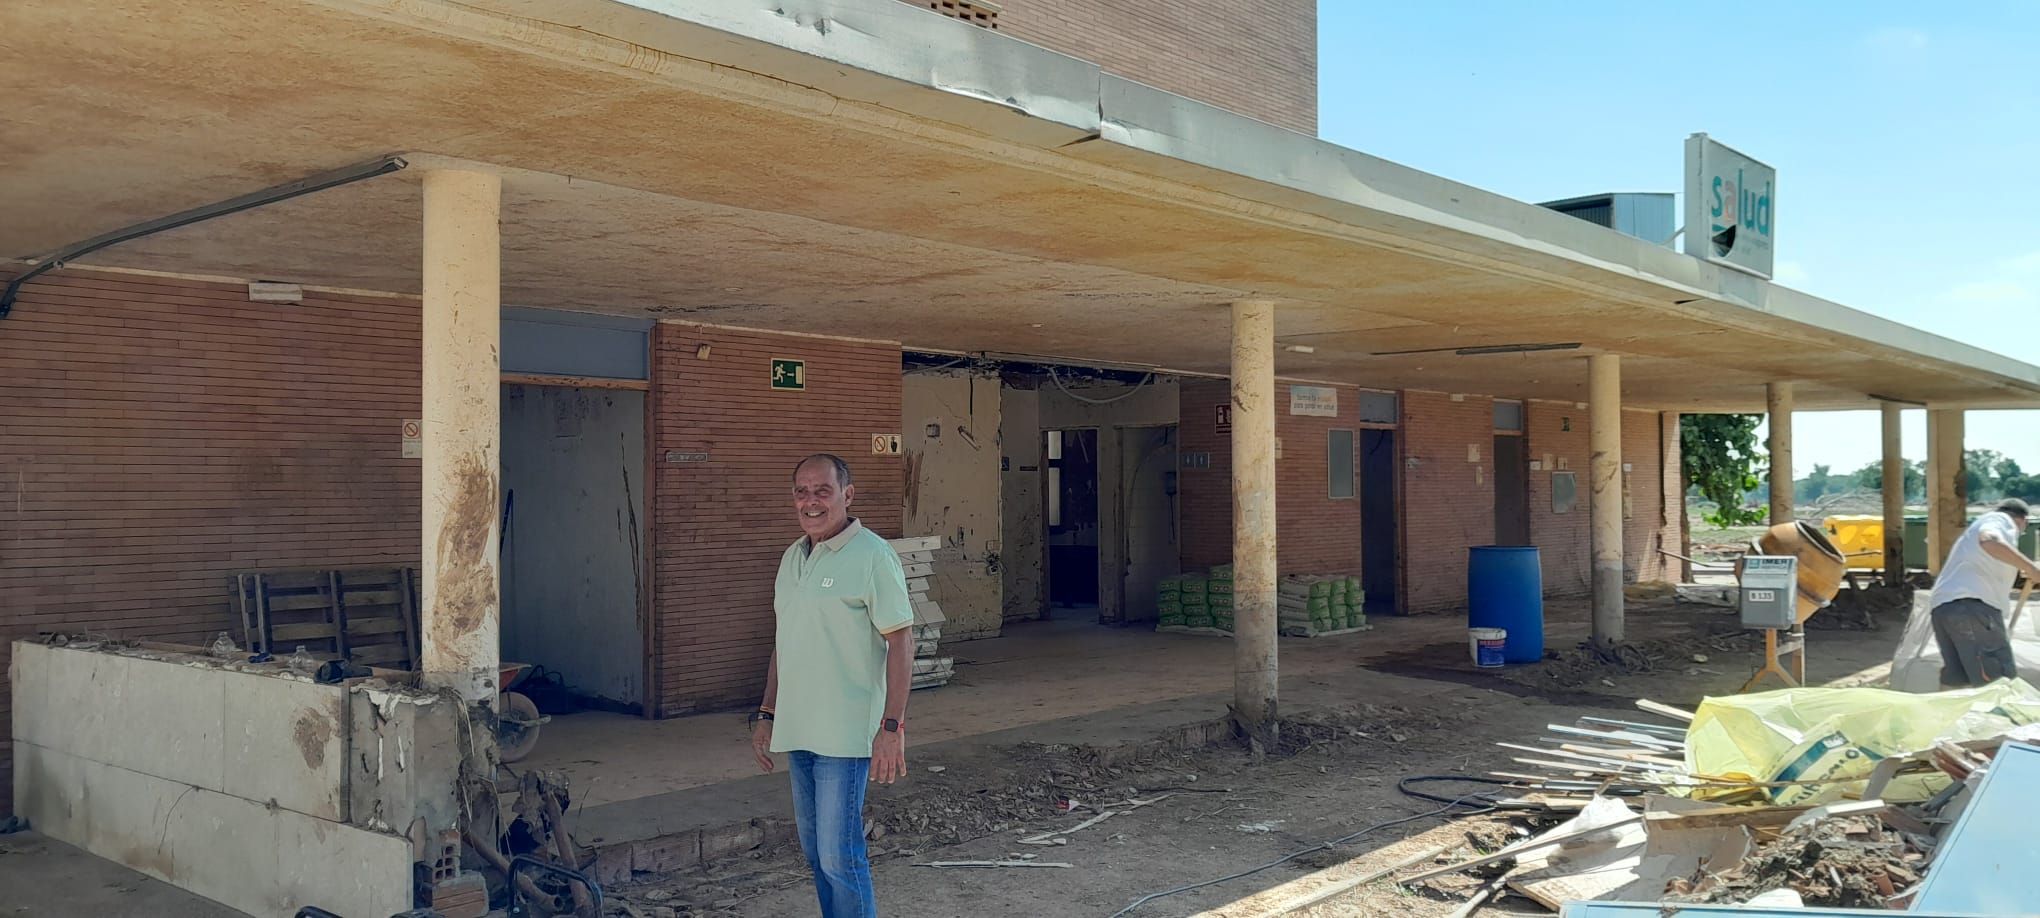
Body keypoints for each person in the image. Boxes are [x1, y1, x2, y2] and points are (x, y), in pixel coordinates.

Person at [751, 453, 914, 918]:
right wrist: (767, 714)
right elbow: (785, 643)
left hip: (844, 736)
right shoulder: (792, 557)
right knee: (816, 855)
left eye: (823, 490)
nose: (811, 501)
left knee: (841, 856)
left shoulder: (873, 556)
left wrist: (892, 727)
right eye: (802, 491)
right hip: (799, 731)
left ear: (847, 494)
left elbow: (901, 642)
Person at [1928, 498, 2040, 687]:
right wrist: (2031, 568)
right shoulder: (2002, 520)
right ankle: (2000, 716)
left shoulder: (1973, 533)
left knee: (1957, 679)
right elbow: (1989, 541)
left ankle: (1946, 715)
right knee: (1998, 680)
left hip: (1944, 609)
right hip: (1972, 607)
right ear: (2023, 521)